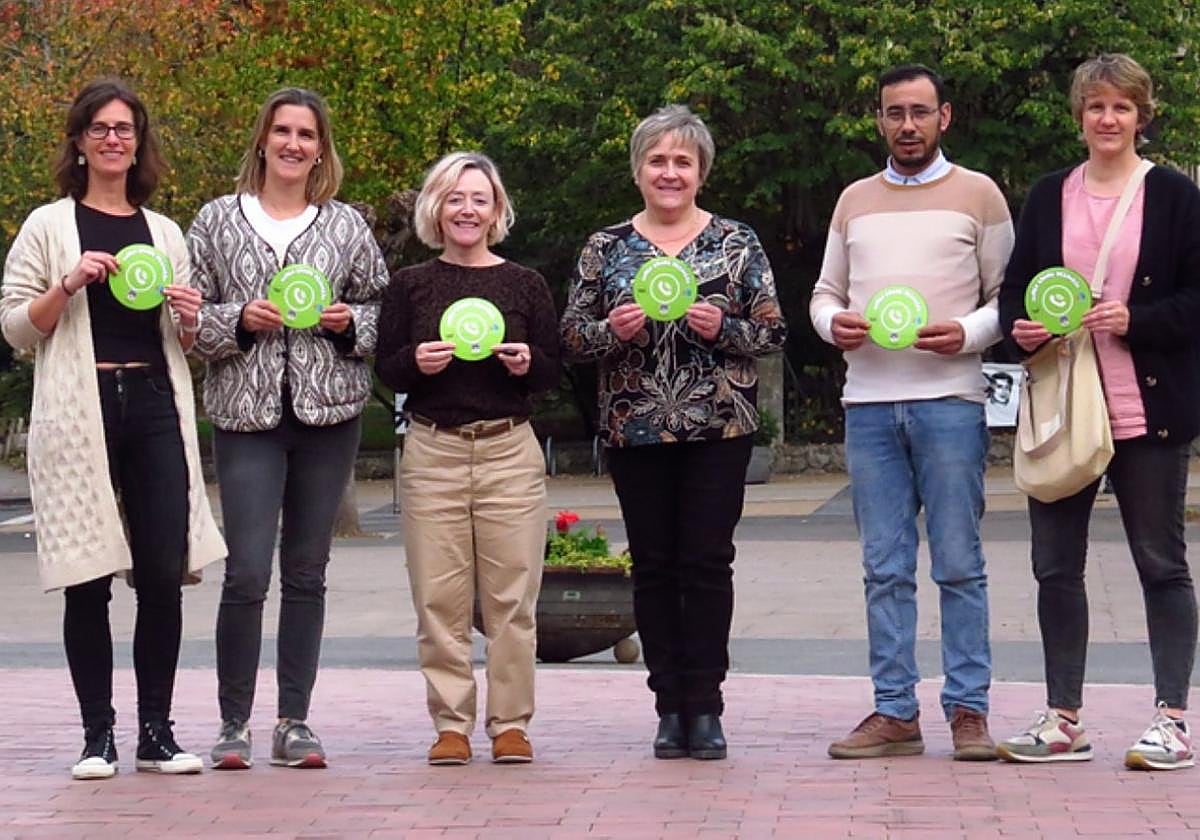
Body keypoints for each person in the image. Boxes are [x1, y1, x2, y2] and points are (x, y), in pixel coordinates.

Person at [0, 79, 226, 780]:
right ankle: (96, 735)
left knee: (161, 572)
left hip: (154, 401)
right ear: (78, 141)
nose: (112, 139)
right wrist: (65, 285)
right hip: (80, 404)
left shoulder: (163, 233)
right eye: (99, 128)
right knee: (87, 574)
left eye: (125, 129)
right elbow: (15, 329)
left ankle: (157, 733)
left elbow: (184, 343)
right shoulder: (48, 225)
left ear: (139, 143)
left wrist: (189, 315)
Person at [561, 105, 786, 761]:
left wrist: (727, 329)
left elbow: (774, 333)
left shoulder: (736, 242)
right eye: (657, 160)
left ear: (701, 172)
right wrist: (614, 332)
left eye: (681, 161)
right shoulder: (604, 247)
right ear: (638, 170)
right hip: (635, 428)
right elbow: (570, 337)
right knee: (654, 568)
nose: (669, 172)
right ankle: (668, 707)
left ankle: (707, 706)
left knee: (708, 565)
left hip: (719, 426)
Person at [997, 54, 1200, 771]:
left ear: (1142, 115)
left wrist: (1132, 319)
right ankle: (1063, 718)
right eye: (1095, 107)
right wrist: (1023, 329)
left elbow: (1195, 303)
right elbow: (1016, 292)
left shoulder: (1175, 195)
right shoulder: (1050, 194)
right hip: (1063, 408)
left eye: (1121, 107)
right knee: (1055, 565)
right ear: (1079, 116)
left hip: (1147, 411)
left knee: (1160, 563)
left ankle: (1172, 718)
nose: (1107, 119)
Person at [810, 64, 1014, 761]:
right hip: (868, 407)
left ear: (944, 117)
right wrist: (831, 323)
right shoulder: (852, 200)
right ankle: (895, 711)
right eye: (894, 112)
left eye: (919, 112)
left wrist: (970, 334)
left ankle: (968, 711)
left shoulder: (980, 195)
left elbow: (1006, 298)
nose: (907, 125)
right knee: (884, 568)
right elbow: (823, 293)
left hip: (951, 403)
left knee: (960, 565)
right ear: (879, 120)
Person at [187, 87, 388, 770]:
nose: (294, 144)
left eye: (307, 134)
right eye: (283, 132)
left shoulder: (346, 227)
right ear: (263, 140)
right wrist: (238, 320)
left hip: (329, 416)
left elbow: (385, 311)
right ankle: (232, 724)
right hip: (246, 418)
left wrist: (348, 323)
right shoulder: (216, 221)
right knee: (246, 571)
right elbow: (186, 321)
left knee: (307, 570)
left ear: (321, 148)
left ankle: (294, 720)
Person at [375, 152, 559, 766]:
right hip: (433, 449)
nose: (467, 209)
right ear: (435, 207)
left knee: (513, 599)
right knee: (438, 598)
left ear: (497, 209)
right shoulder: (410, 284)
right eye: (455, 198)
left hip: (509, 448)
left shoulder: (526, 284)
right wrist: (416, 365)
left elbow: (554, 373)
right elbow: (387, 365)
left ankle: (511, 724)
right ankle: (450, 723)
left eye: (479, 198)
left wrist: (529, 363)